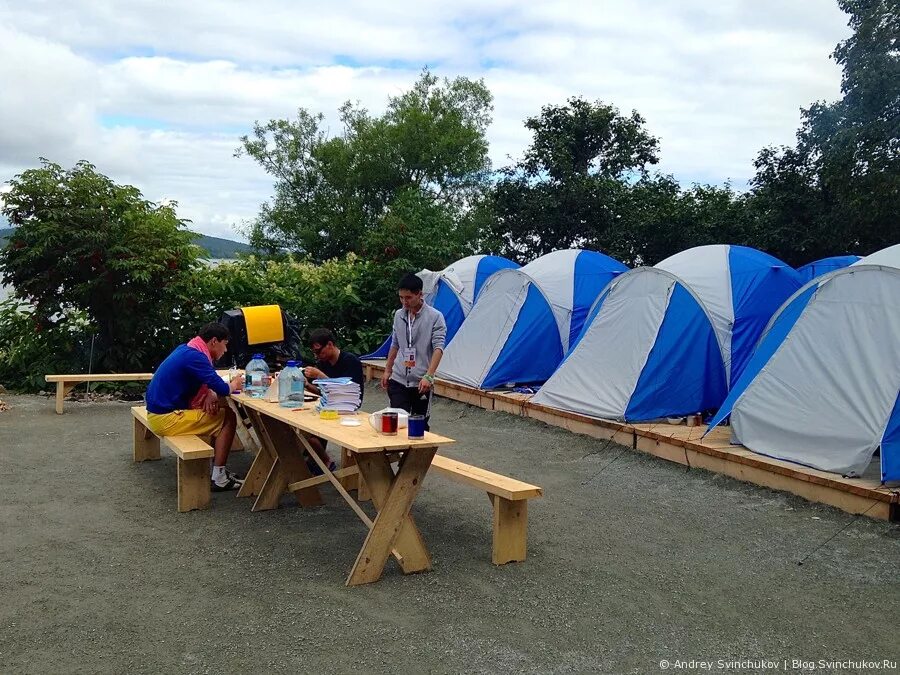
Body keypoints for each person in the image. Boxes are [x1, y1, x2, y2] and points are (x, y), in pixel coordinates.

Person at [145, 322, 245, 491]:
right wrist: (235, 383)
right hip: (166, 419)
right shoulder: (196, 358)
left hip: (158, 412)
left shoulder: (187, 349)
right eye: (225, 345)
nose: (225, 350)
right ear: (214, 341)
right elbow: (223, 388)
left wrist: (210, 392)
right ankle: (219, 478)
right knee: (228, 417)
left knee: (218, 413)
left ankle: (217, 471)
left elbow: (211, 384)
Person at [380, 273, 447, 431]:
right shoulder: (399, 315)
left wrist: (429, 376)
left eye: (408, 297)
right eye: (401, 298)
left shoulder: (435, 317)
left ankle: (420, 455)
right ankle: (398, 455)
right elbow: (395, 343)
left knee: (419, 426)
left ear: (420, 294)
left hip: (420, 381)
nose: (404, 302)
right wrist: (388, 369)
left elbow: (438, 348)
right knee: (397, 423)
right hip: (398, 378)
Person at [300, 328, 365, 473]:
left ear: (330, 344)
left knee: (310, 432)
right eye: (314, 353)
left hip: (347, 407)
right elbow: (323, 392)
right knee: (301, 427)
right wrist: (307, 385)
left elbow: (345, 391)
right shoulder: (324, 362)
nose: (317, 356)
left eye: (319, 352)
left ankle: (324, 461)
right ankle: (317, 460)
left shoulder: (350, 361)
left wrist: (320, 375)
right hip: (329, 405)